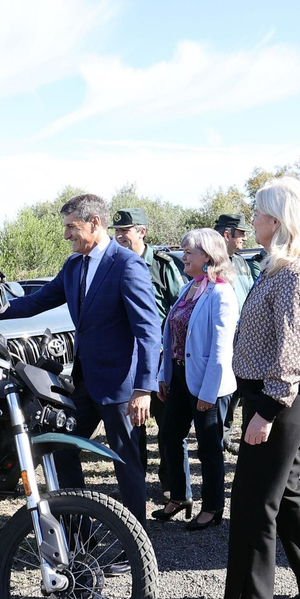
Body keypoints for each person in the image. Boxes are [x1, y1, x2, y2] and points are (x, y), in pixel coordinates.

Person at [213, 177, 300, 599]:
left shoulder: (294, 272)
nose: (251, 219)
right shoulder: (281, 267)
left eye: (257, 212)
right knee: (284, 490)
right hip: (273, 392)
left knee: (253, 502)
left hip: (282, 395)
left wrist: (266, 412)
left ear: (278, 219)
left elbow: (291, 351)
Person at [0, 194, 162, 522]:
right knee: (58, 450)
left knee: (126, 463)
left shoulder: (127, 265)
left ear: (94, 223)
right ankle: (78, 530)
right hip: (84, 384)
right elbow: (35, 302)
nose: (66, 234)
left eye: (72, 226)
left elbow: (148, 331)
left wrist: (144, 388)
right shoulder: (74, 266)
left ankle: (135, 546)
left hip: (121, 387)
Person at [156, 228, 238, 529]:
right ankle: (179, 496)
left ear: (208, 255)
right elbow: (173, 336)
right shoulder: (188, 287)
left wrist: (209, 392)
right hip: (178, 377)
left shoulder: (221, 292)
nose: (184, 256)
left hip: (207, 383)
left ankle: (214, 507)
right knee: (169, 436)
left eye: (189, 251)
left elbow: (221, 347)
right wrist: (164, 375)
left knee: (208, 447)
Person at [113, 208, 187, 501]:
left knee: (167, 423)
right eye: (116, 232)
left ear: (141, 232)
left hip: (157, 356)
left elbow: (177, 308)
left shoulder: (161, 265)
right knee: (134, 423)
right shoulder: (115, 263)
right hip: (128, 357)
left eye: (125, 231)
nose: (119, 237)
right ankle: (135, 484)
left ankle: (170, 486)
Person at [214, 212, 257, 453]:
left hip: (244, 333)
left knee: (239, 389)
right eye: (240, 234)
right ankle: (219, 436)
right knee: (224, 387)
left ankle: (227, 435)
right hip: (224, 334)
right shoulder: (211, 261)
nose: (243, 239)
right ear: (227, 234)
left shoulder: (240, 261)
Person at [214, 213, 261, 303]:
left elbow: (252, 294)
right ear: (227, 235)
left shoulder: (241, 262)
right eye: (242, 233)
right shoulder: (209, 261)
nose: (245, 238)